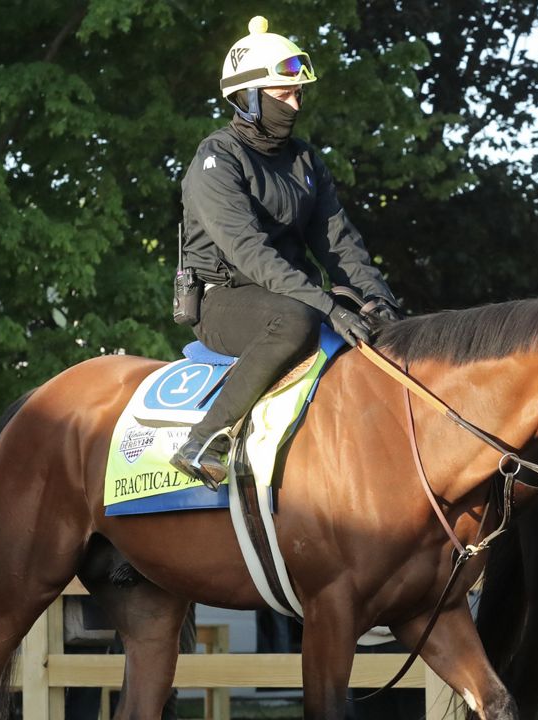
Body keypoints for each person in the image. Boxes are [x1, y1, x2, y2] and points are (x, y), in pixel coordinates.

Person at [171, 16, 401, 489]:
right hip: (225, 301)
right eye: (284, 94)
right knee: (298, 320)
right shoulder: (215, 160)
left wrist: (385, 308)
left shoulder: (305, 160)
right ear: (250, 98)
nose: (296, 103)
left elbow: (340, 245)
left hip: (292, 295)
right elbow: (250, 254)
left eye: (299, 93)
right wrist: (326, 307)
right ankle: (205, 439)